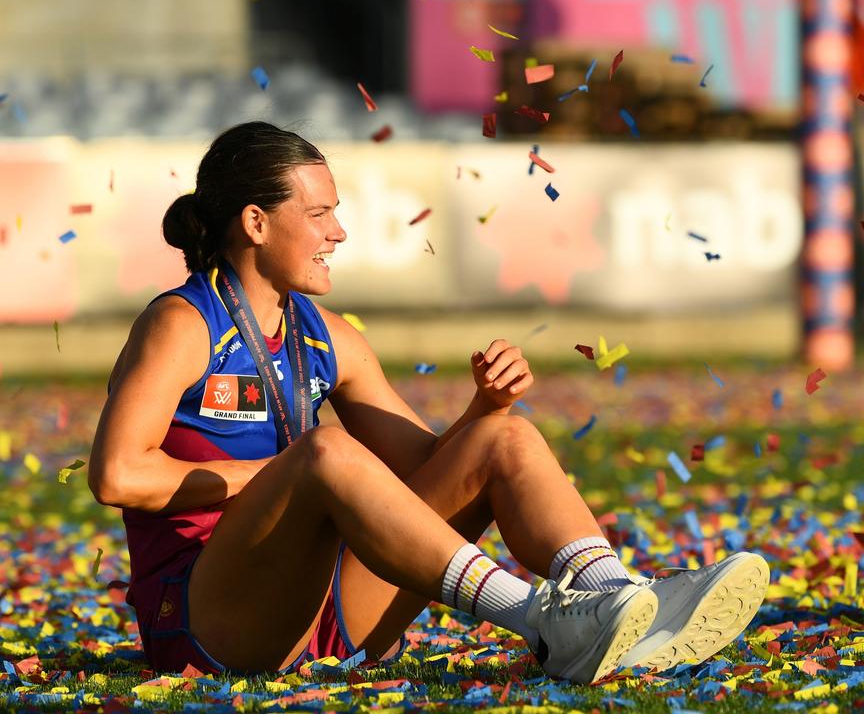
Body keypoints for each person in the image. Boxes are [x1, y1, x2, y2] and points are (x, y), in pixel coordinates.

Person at [88, 121, 769, 684]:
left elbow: (424, 477)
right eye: (320, 213)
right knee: (326, 452)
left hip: (327, 613)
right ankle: (540, 621)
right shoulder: (183, 322)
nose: (339, 233)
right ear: (257, 223)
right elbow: (117, 476)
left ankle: (619, 599)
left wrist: (483, 408)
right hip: (210, 625)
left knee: (505, 438)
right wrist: (275, 478)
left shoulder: (331, 336)